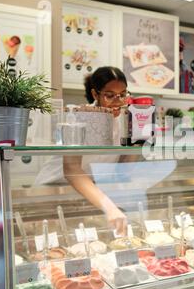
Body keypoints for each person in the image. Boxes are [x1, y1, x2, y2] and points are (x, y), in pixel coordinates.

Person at [35, 66, 130, 235]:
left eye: (122, 94)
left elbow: (122, 168)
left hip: (90, 195)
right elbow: (71, 169)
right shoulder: (81, 116)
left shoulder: (124, 122)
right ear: (95, 94)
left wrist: (137, 138)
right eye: (110, 95)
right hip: (53, 192)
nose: (118, 101)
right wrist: (109, 206)